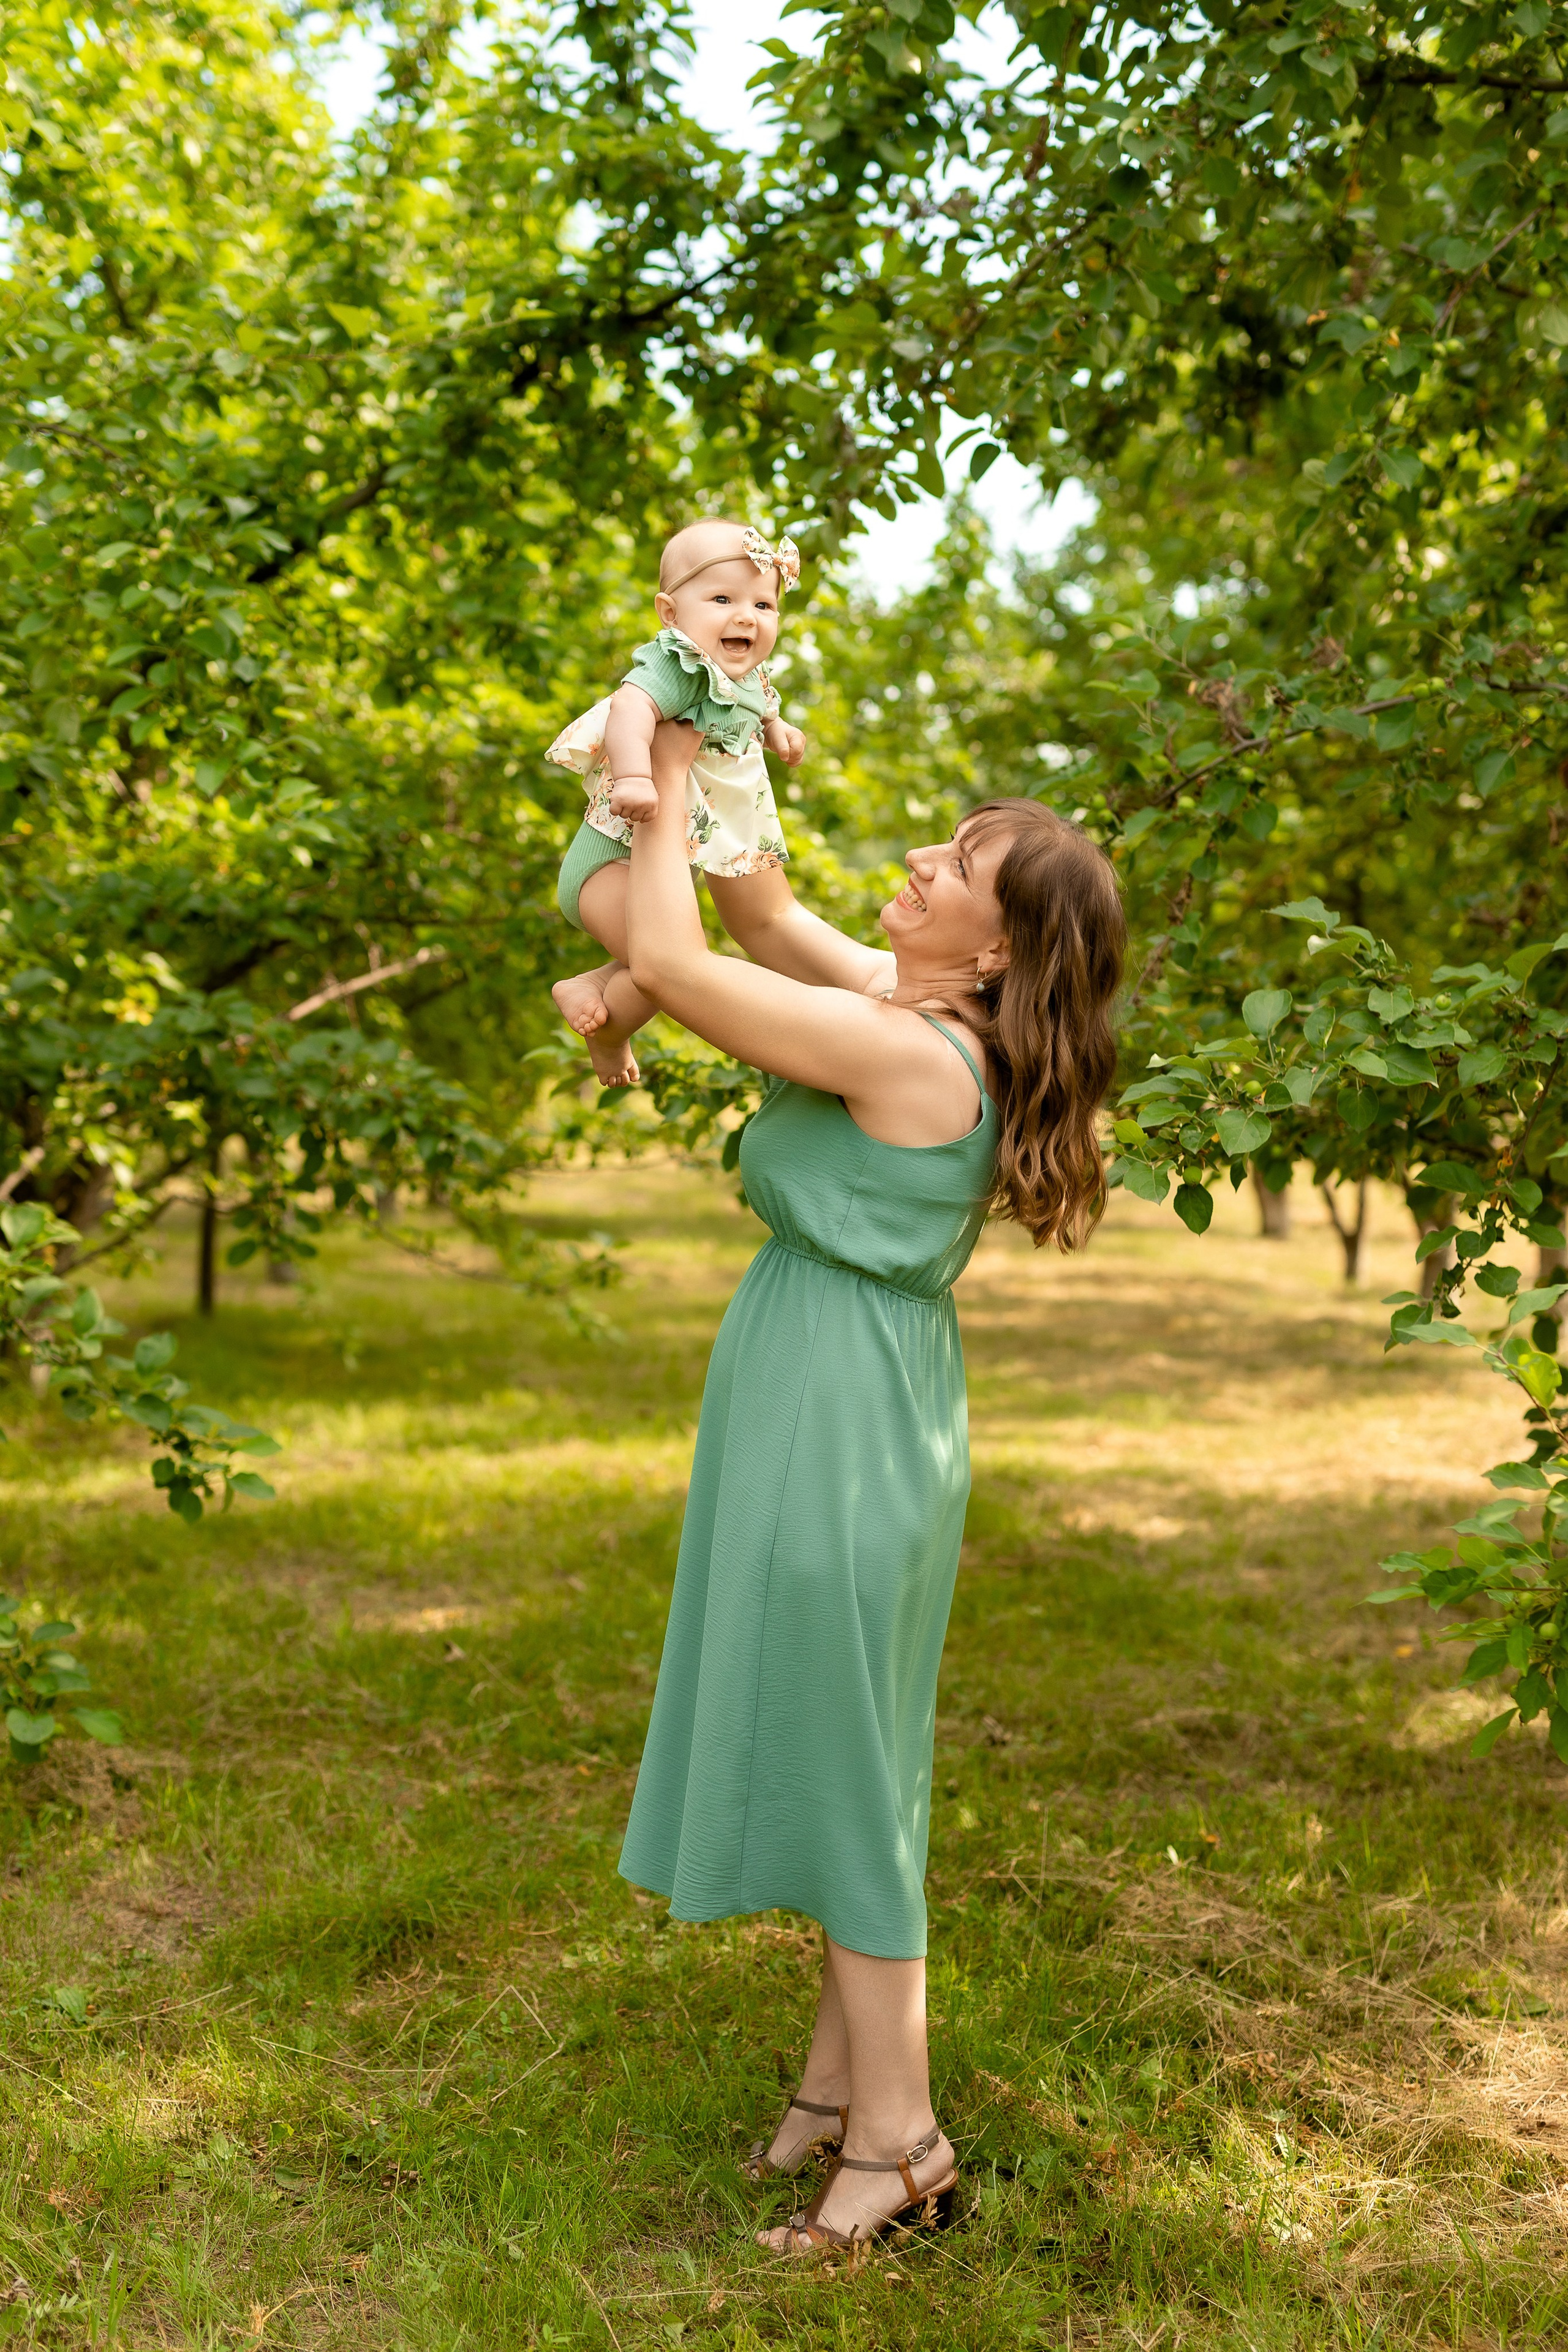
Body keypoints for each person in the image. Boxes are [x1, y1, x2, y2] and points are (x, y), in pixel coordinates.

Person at [616, 720, 1126, 2256]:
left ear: (1000, 951)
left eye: (955, 867)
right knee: (858, 1745)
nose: (916, 861)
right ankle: (844, 2084)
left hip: (839, 1416)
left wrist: (638, 771)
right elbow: (760, 910)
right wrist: (705, 731)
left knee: (845, 1770)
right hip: (848, 1389)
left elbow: (678, 952)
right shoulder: (908, 1007)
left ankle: (901, 2141)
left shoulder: (908, 1048)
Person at [548, 519, 807, 1086]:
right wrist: (636, 776)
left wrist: (778, 730)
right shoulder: (679, 665)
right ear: (671, 613)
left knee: (666, 961)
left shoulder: (744, 673)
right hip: (607, 865)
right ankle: (611, 1037)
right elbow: (630, 710)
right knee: (666, 971)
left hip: (647, 870)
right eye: (723, 599)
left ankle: (592, 985)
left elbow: (757, 706)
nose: (747, 616)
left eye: (765, 605)